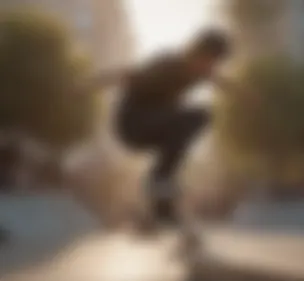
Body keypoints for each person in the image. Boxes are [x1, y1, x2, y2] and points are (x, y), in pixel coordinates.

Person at [89, 28, 231, 228]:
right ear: (196, 52)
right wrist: (85, 86)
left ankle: (162, 203)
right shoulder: (168, 65)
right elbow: (124, 75)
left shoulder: (201, 73)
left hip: (156, 124)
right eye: (206, 61)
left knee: (197, 118)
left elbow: (221, 81)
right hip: (132, 124)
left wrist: (248, 96)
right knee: (194, 116)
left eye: (214, 63)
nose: (208, 68)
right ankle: (160, 178)